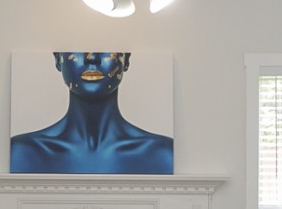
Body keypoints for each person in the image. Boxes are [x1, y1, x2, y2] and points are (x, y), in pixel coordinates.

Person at [11, 51, 174, 174]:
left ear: (126, 59)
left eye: (107, 45)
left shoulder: (163, 153)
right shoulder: (21, 152)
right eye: (77, 45)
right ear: (58, 59)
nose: (92, 58)